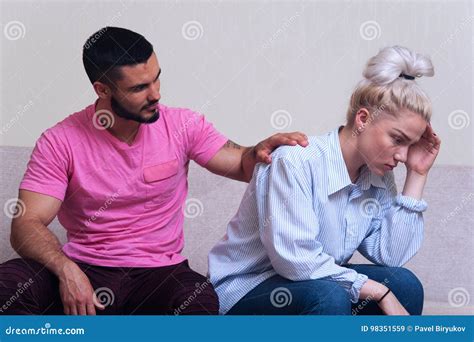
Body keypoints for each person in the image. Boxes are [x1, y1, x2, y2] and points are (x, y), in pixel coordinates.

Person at [0, 27, 308, 316]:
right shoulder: (60, 141)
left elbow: (242, 164)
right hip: (85, 265)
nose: (156, 94)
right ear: (102, 89)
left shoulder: (183, 125)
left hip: (159, 273)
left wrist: (261, 150)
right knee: (8, 285)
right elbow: (26, 223)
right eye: (139, 87)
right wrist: (66, 270)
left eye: (156, 79)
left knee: (197, 300)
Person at [208, 45, 441, 315]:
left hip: (313, 282)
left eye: (410, 145)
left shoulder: (377, 175)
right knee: (330, 297)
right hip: (248, 286)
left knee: (405, 285)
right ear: (363, 119)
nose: (402, 155)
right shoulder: (294, 161)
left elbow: (391, 255)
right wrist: (378, 291)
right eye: (397, 139)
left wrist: (417, 174)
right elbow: (295, 260)